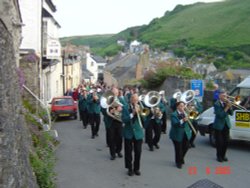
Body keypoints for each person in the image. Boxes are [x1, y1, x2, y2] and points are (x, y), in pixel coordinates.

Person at [121, 94, 144, 176]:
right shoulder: (125, 107)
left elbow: (145, 119)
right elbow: (124, 119)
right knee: (128, 152)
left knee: (138, 152)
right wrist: (132, 114)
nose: (136, 101)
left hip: (138, 133)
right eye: (134, 99)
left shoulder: (141, 107)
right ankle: (130, 168)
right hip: (128, 132)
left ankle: (136, 168)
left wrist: (141, 113)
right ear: (131, 99)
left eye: (137, 100)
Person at [170, 101, 192, 169]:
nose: (183, 107)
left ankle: (181, 158)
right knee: (178, 149)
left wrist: (190, 116)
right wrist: (183, 120)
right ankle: (178, 162)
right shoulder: (174, 114)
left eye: (183, 106)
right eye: (181, 106)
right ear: (177, 107)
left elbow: (191, 120)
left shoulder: (186, 113)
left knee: (186, 146)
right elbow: (175, 124)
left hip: (185, 133)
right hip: (177, 133)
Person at [213, 89, 233, 162]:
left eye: (226, 95)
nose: (225, 97)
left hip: (226, 124)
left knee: (226, 141)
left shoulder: (227, 102)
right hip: (219, 125)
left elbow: (231, 113)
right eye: (223, 96)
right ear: (220, 96)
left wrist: (230, 106)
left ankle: (223, 155)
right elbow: (220, 115)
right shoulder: (216, 104)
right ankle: (219, 156)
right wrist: (227, 107)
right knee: (219, 142)